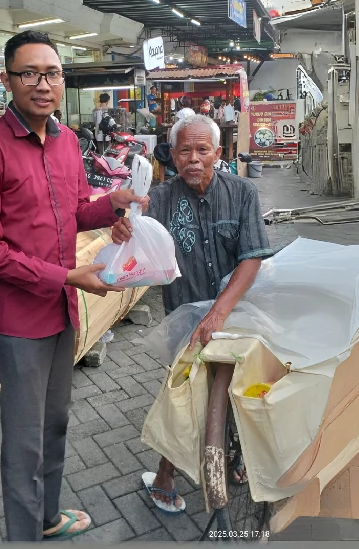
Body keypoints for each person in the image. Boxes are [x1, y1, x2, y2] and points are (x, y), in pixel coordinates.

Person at [0, 30, 148, 541]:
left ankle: (45, 517)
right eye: (30, 74)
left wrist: (115, 206)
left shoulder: (65, 143)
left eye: (53, 73)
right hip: (18, 320)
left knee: (54, 424)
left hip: (63, 310)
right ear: (8, 80)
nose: (43, 84)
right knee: (24, 441)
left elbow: (76, 210)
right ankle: (22, 534)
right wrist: (66, 275)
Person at [110, 113, 274, 514]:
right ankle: (166, 478)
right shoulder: (161, 200)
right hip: (184, 317)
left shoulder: (242, 192)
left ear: (219, 153)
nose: (194, 159)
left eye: (203, 150)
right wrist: (122, 230)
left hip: (236, 311)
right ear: (173, 155)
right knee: (183, 396)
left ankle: (238, 459)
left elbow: (251, 260)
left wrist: (218, 313)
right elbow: (133, 248)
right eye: (185, 150)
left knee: (241, 388)